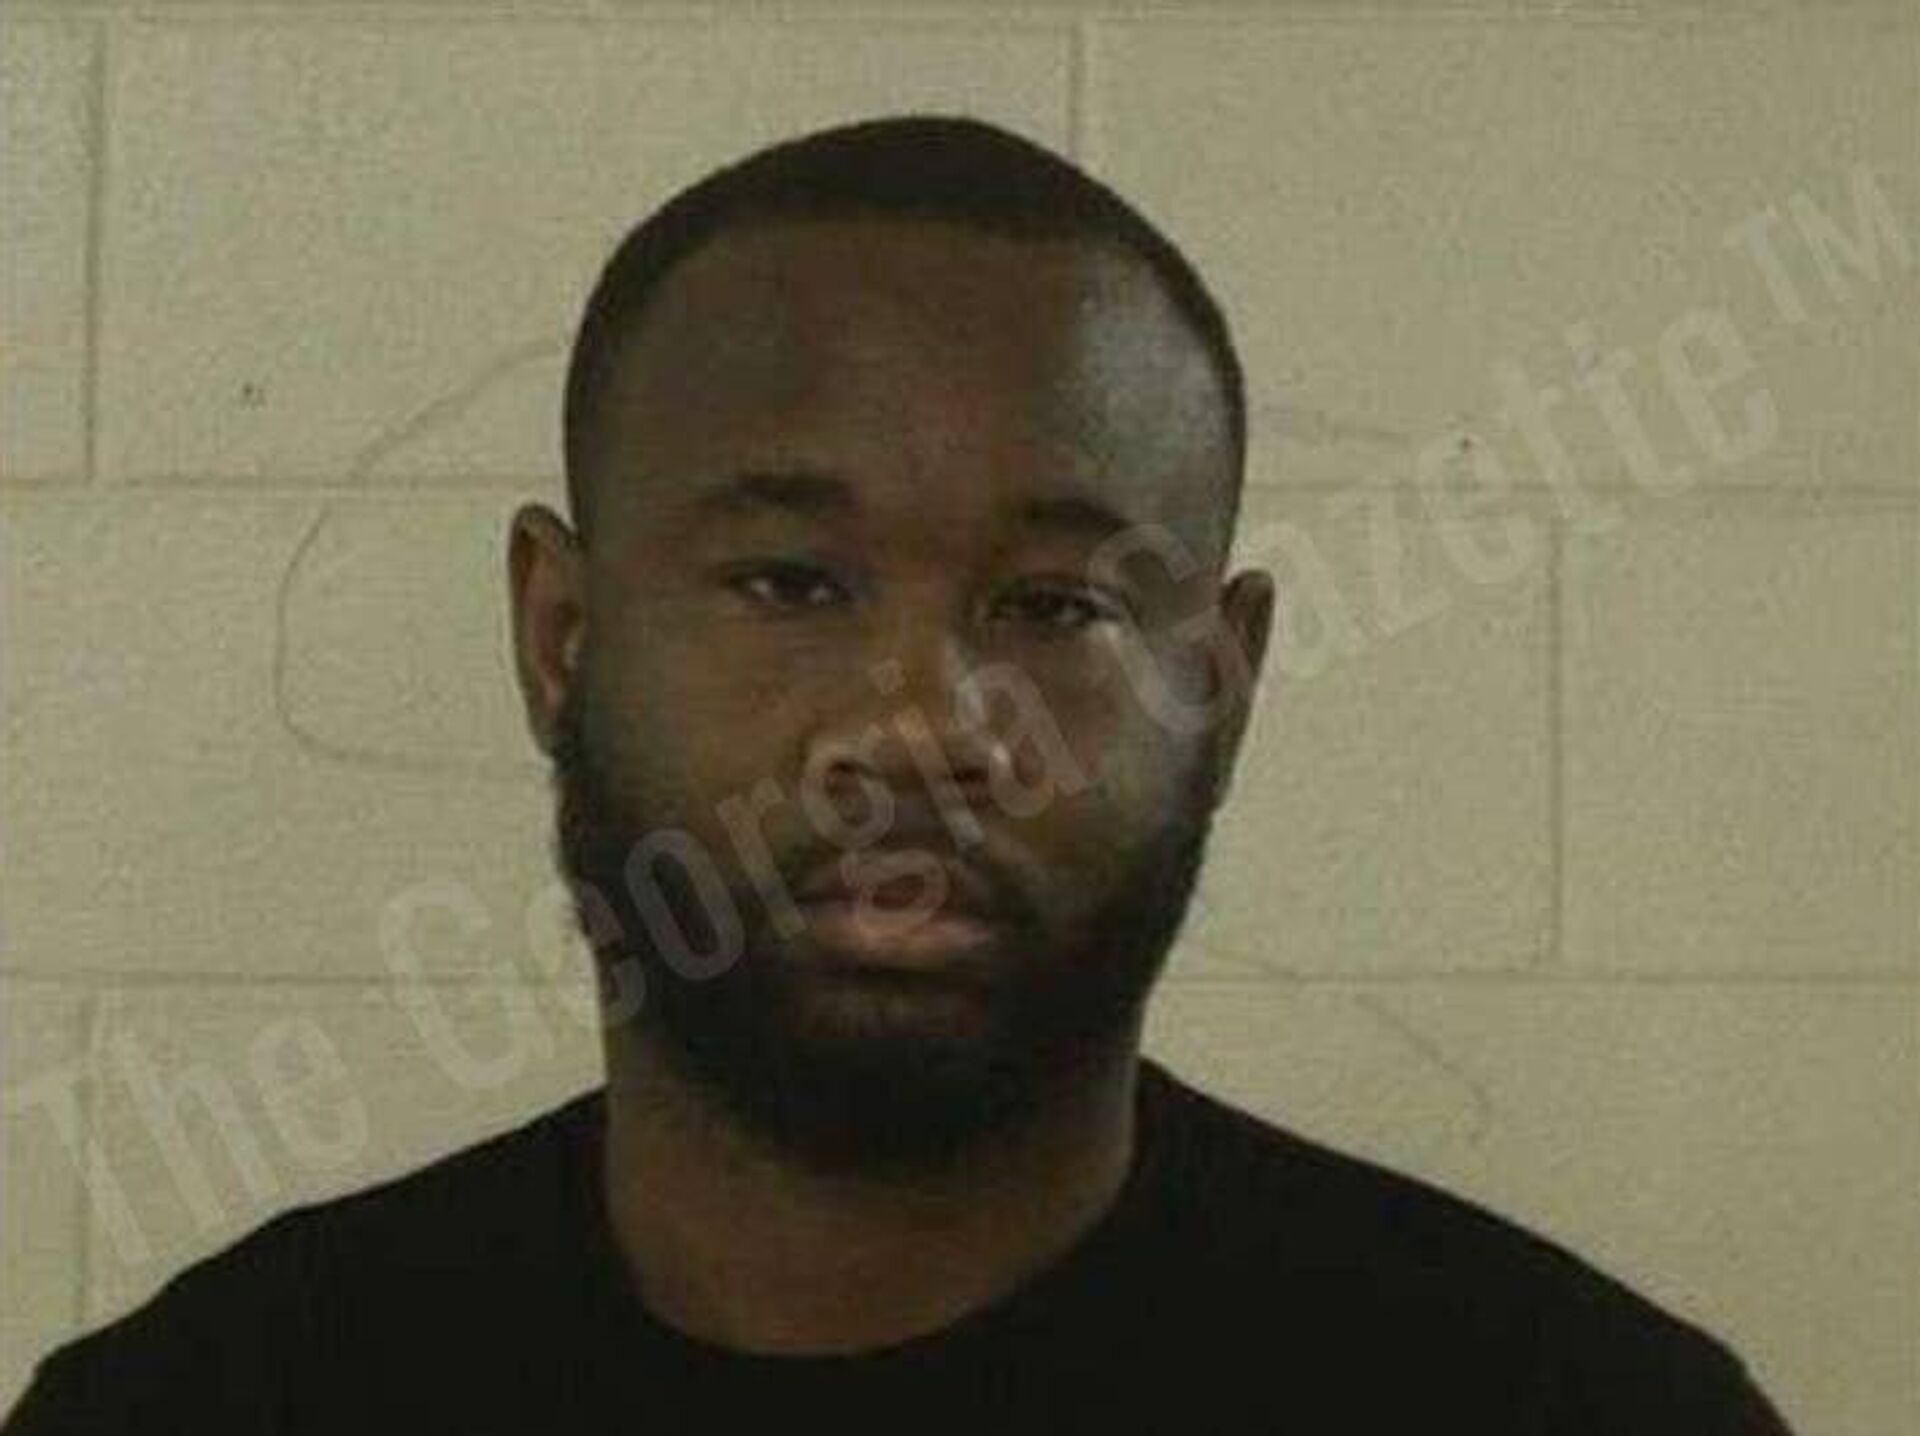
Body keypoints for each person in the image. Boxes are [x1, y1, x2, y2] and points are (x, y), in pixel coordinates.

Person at [4, 115, 1795, 1434]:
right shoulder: (198, 1408)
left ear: (1219, 687)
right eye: (794, 583)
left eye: (1057, 604)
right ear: (561, 635)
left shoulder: (1576, 1409)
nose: (925, 723)